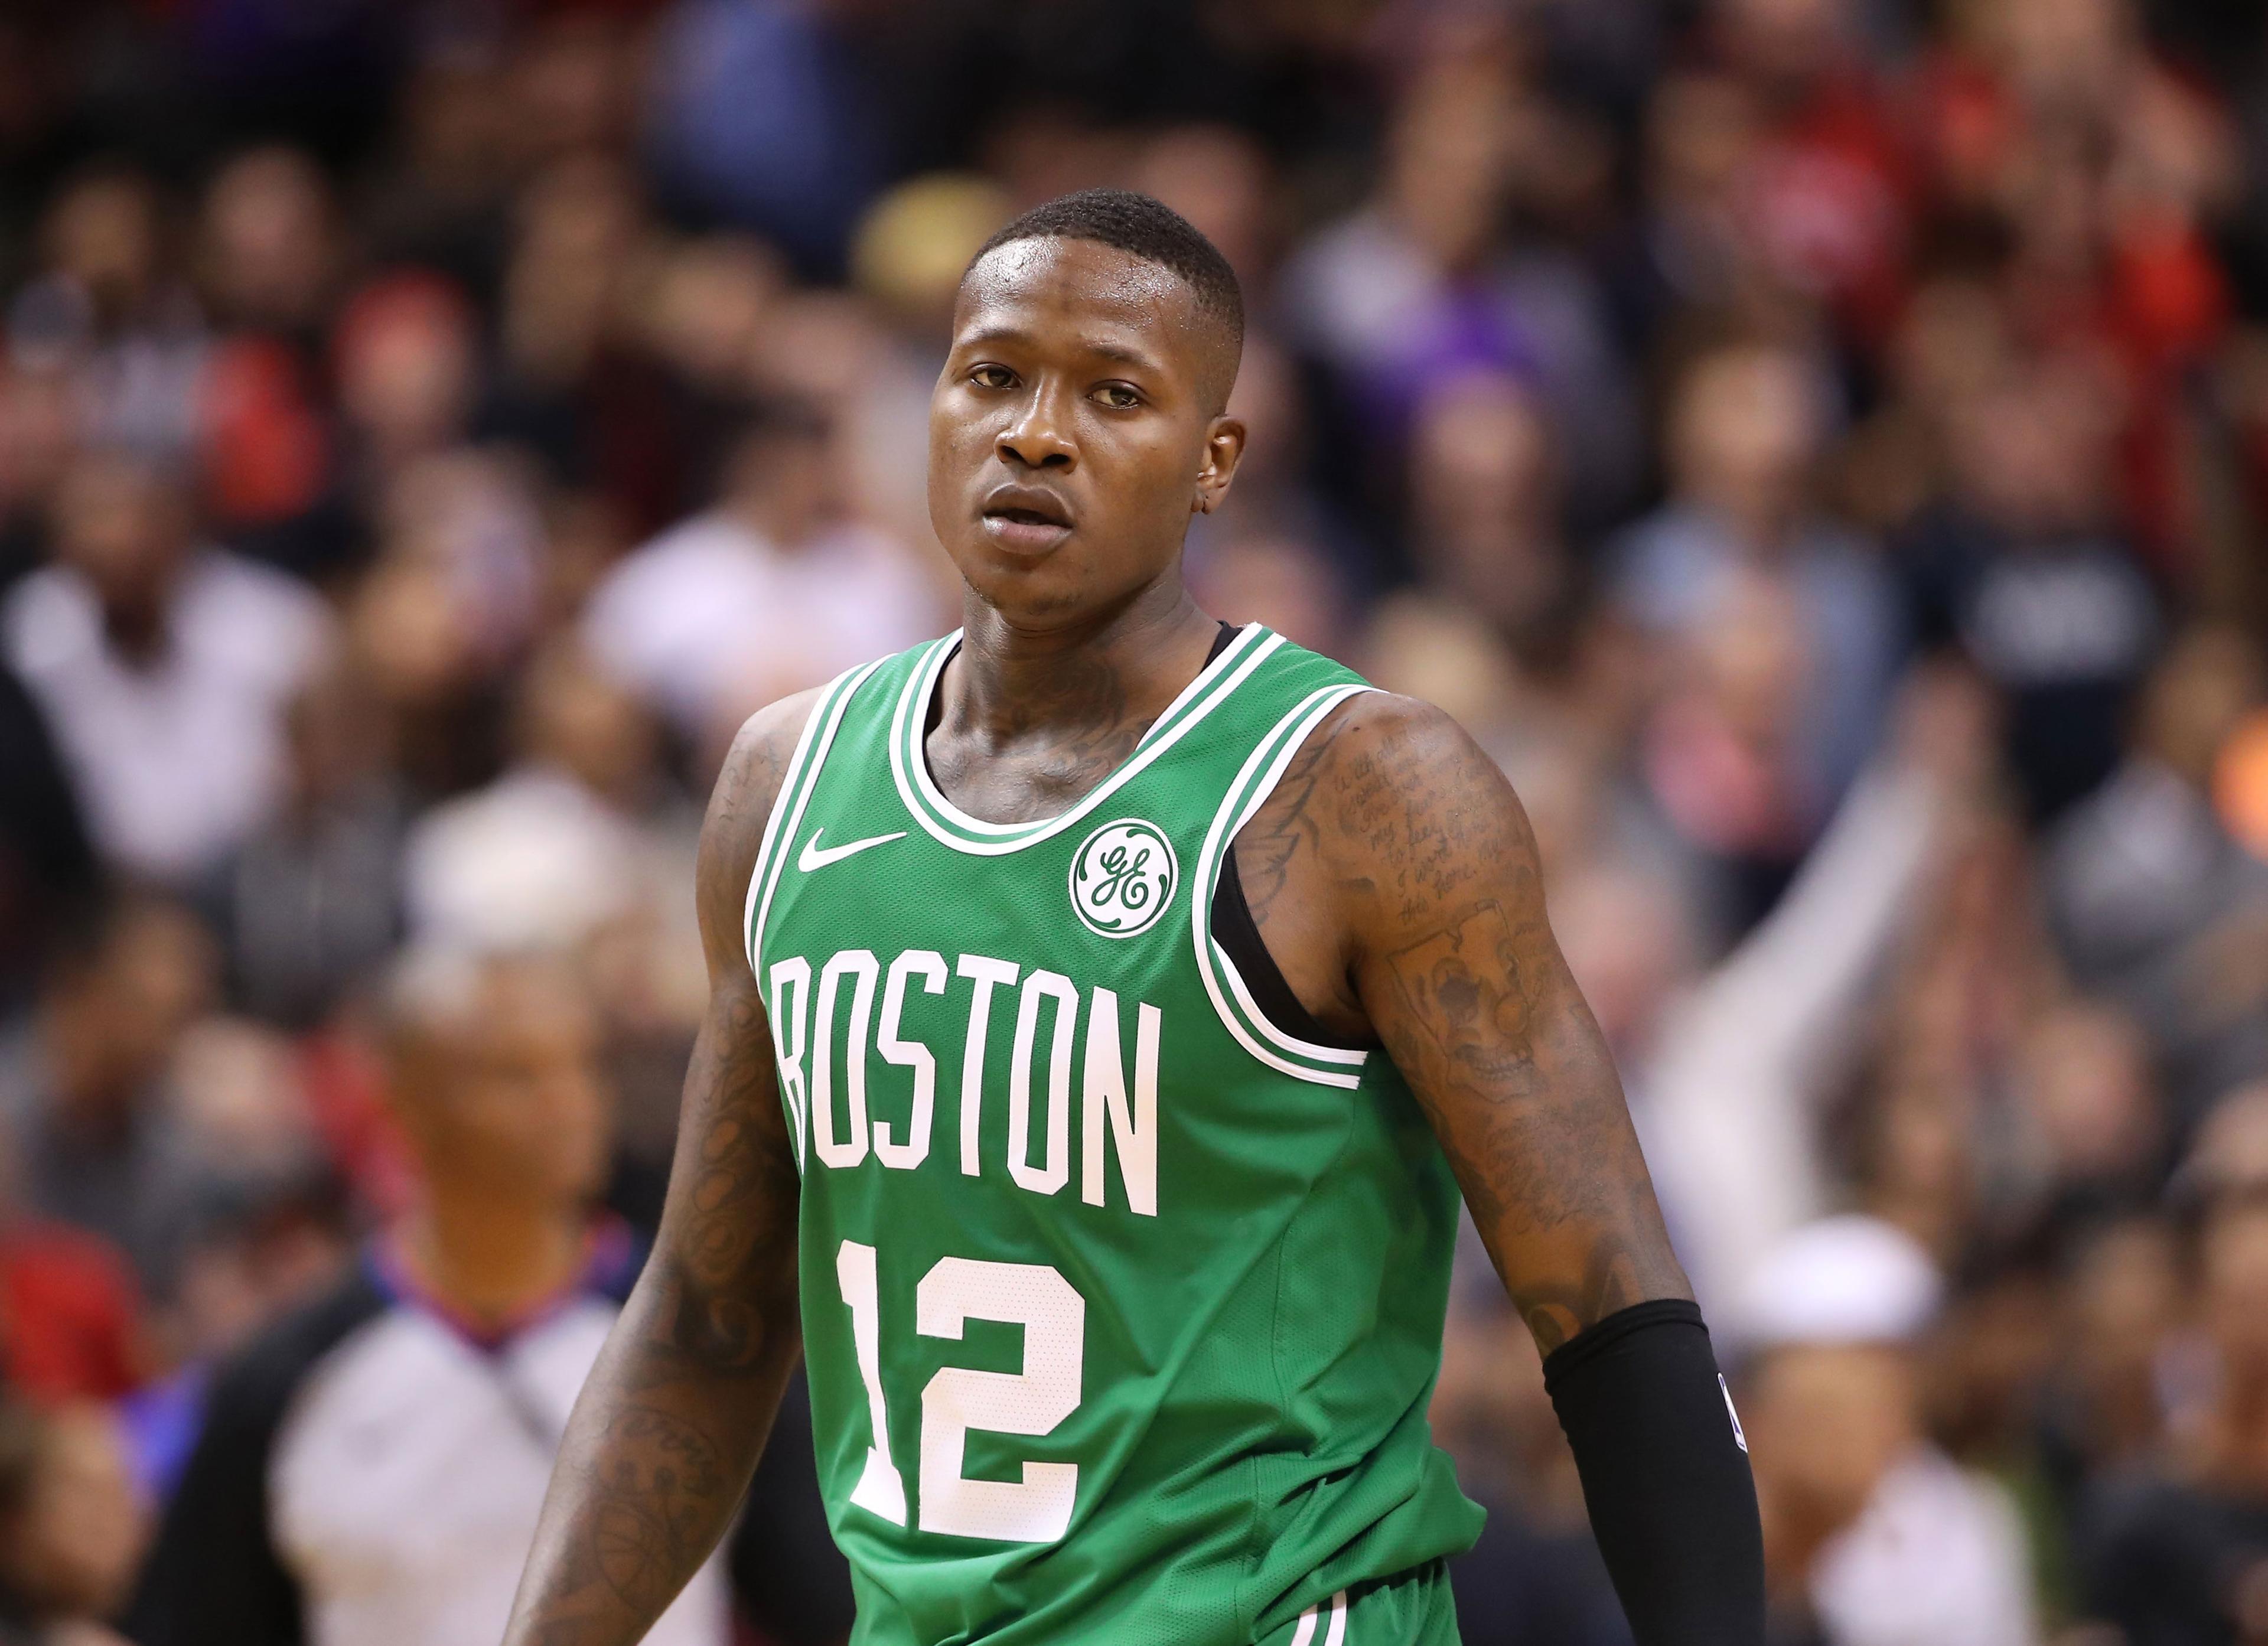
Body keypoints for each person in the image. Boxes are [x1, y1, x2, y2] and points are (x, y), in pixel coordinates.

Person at [502, 190, 1762, 1646]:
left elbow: (1604, 1300)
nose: (1035, 432)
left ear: (1214, 461)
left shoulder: (1358, 789)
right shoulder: (785, 785)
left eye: (1114, 394)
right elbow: (705, 1319)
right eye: (991, 376)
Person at [127, 949, 729, 1646]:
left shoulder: (708, 1340)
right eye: (516, 1075)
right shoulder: (283, 1379)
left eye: (582, 1066)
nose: (568, 1103)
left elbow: (831, 1589)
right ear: (407, 1104)